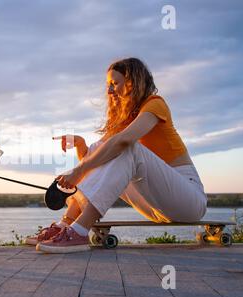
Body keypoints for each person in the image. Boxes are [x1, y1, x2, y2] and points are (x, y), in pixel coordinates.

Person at [26, 57, 208, 253]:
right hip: (157, 206)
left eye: (115, 83)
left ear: (133, 82)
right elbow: (95, 160)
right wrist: (81, 145)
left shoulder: (155, 104)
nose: (109, 91)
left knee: (126, 146)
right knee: (104, 149)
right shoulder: (126, 119)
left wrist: (79, 170)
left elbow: (123, 142)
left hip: (189, 199)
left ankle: (79, 231)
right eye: (108, 85)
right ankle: (65, 225)